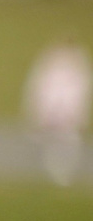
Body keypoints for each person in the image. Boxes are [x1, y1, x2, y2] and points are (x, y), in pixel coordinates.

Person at [23, 39, 89, 185]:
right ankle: (44, 169)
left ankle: (61, 172)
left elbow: (77, 95)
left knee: (66, 139)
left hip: (64, 113)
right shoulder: (52, 66)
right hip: (53, 109)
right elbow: (41, 91)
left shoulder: (76, 69)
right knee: (49, 138)